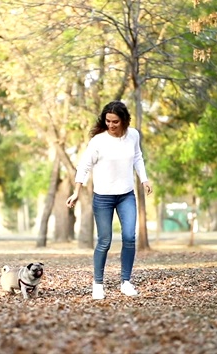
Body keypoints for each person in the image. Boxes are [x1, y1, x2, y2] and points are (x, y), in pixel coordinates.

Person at [66, 100, 153, 300]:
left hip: (126, 195)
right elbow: (84, 166)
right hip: (103, 197)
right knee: (105, 240)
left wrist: (144, 179)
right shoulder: (98, 141)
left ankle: (126, 282)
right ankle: (98, 284)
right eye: (108, 121)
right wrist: (76, 191)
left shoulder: (133, 135)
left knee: (130, 238)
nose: (111, 125)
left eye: (115, 122)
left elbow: (138, 157)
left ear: (124, 120)